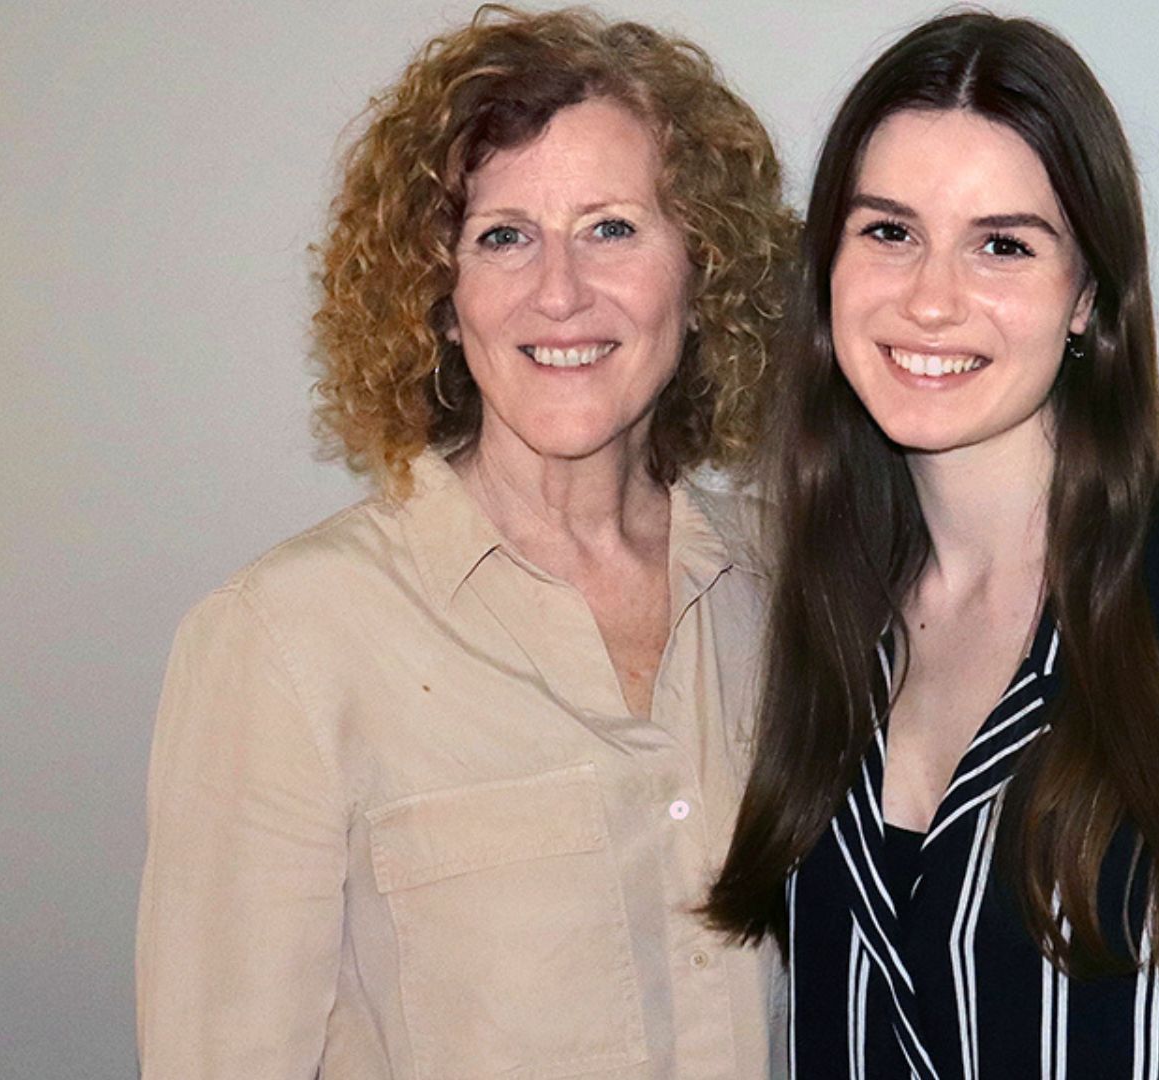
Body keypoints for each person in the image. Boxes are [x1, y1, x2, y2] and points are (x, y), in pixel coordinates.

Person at [704, 11, 1159, 1077]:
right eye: (889, 231)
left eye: (1003, 245)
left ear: (1087, 298)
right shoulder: (815, 600)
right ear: (826, 269)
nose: (931, 299)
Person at [136, 8, 795, 1077]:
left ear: (703, 270)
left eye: (613, 227)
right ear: (440, 299)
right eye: (503, 236)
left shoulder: (794, 592)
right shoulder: (283, 640)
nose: (559, 290)